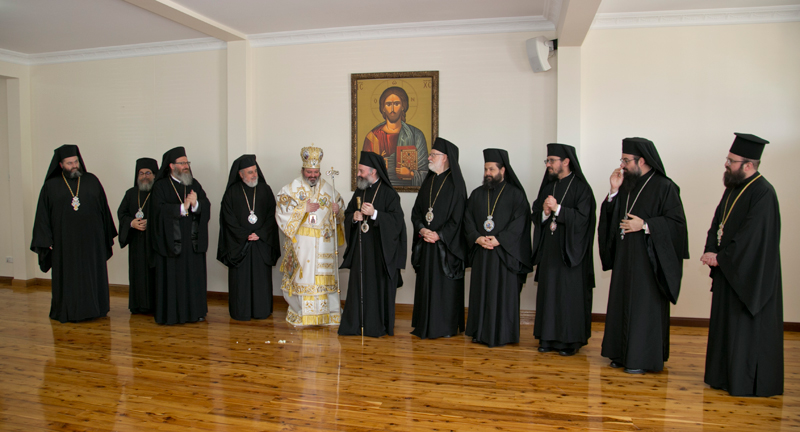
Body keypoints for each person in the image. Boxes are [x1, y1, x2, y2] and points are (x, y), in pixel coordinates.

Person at [598, 137, 689, 374]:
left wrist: (646, 225)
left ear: (643, 160)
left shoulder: (665, 187)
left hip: (648, 262)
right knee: (621, 304)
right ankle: (619, 353)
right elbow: (610, 217)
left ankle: (641, 358)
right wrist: (613, 192)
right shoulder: (626, 185)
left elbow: (677, 224)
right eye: (622, 160)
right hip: (624, 258)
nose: (623, 165)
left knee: (642, 308)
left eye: (627, 161)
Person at [701, 133, 783, 397]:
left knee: (744, 328)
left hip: (749, 276)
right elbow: (718, 223)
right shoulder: (734, 187)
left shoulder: (764, 193)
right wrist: (711, 248)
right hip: (729, 271)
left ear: (748, 165)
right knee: (726, 327)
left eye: (731, 160)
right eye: (728, 159)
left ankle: (744, 381)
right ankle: (722, 376)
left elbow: (752, 238)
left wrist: (721, 258)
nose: (727, 164)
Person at [31, 144, 117, 323]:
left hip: (91, 242)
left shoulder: (92, 180)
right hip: (65, 243)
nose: (74, 166)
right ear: (61, 165)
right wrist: (46, 240)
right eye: (69, 163)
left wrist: (104, 237)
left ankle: (96, 308)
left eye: (76, 161)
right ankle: (67, 311)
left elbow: (103, 209)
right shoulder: (51, 186)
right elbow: (42, 216)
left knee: (92, 275)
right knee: (68, 278)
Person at [531, 143, 596, 356]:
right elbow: (536, 215)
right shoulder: (548, 186)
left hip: (571, 254)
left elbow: (584, 220)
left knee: (568, 297)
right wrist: (543, 212)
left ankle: (569, 342)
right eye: (547, 161)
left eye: (552, 161)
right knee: (549, 295)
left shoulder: (581, 188)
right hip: (550, 252)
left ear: (566, 162)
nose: (548, 164)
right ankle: (547, 338)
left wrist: (558, 209)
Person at [464, 149, 532, 347]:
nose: (487, 173)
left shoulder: (516, 195)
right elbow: (467, 220)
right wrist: (477, 238)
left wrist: (500, 239)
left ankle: (504, 334)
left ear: (503, 169)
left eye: (491, 169)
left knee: (501, 295)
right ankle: (479, 332)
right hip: (482, 254)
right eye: (485, 169)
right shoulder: (477, 194)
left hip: (504, 255)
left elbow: (520, 222)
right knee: (482, 292)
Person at [339, 151, 407, 337]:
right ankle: (356, 324)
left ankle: (377, 326)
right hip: (362, 251)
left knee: (376, 289)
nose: (359, 174)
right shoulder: (360, 190)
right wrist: (353, 217)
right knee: (359, 287)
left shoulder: (389, 193)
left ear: (373, 171)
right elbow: (348, 213)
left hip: (380, 253)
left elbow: (397, 222)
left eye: (361, 170)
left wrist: (376, 214)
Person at [275, 146, 345, 326]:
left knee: (324, 279)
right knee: (303, 278)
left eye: (315, 172)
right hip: (302, 245)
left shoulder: (329, 189)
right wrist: (302, 210)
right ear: (302, 170)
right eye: (309, 171)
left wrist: (338, 211)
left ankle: (328, 314)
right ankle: (302, 314)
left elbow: (340, 210)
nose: (313, 175)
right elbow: (281, 212)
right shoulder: (290, 189)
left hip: (323, 244)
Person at [410, 137, 467, 339]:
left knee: (444, 288)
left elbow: (458, 220)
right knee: (426, 286)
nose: (429, 158)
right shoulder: (429, 182)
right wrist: (422, 230)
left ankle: (444, 327)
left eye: (433, 155)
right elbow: (416, 212)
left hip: (445, 247)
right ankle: (425, 324)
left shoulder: (456, 186)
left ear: (445, 158)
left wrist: (439, 235)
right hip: (426, 244)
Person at [149, 147, 211, 325]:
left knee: (193, 278)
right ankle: (172, 314)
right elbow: (158, 212)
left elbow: (206, 205)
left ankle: (195, 312)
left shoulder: (193, 184)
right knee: (173, 280)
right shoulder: (160, 186)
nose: (186, 166)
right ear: (171, 165)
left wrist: (196, 204)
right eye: (182, 163)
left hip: (191, 244)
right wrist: (182, 208)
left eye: (187, 162)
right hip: (171, 245)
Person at [218, 155, 281, 321]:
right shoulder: (231, 193)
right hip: (240, 245)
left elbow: (272, 216)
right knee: (241, 281)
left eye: (255, 171)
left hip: (261, 243)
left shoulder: (265, 190)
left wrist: (259, 233)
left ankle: (262, 310)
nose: (254, 175)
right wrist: (244, 235)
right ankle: (241, 311)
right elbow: (227, 219)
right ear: (240, 174)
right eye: (250, 172)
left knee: (261, 280)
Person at [362, 86, 428, 187]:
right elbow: (364, 172)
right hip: (380, 190)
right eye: (388, 104)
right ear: (383, 108)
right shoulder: (373, 137)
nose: (392, 109)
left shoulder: (416, 135)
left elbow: (426, 173)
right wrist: (381, 169)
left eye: (396, 104)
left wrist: (410, 174)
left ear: (403, 106)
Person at [117, 157, 159, 314]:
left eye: (148, 173)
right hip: (136, 243)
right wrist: (131, 223)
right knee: (138, 273)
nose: (145, 176)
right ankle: (138, 305)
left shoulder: (159, 192)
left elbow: (166, 215)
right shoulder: (131, 193)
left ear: (155, 174)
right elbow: (121, 213)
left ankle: (156, 305)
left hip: (154, 242)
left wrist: (152, 222)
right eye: (141, 173)